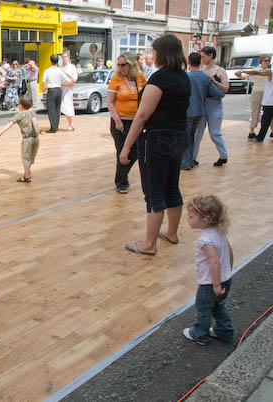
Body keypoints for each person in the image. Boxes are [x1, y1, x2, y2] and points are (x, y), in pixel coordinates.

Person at [119, 34, 191, 255]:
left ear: (162, 52)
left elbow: (141, 116)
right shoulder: (183, 77)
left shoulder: (160, 79)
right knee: (171, 186)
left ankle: (149, 244)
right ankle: (172, 232)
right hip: (179, 136)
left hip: (157, 139)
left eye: (154, 50)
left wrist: (126, 148)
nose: (151, 54)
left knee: (153, 192)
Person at [183, 195, 234, 345]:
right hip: (226, 278)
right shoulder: (220, 231)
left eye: (191, 217)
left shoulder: (205, 240)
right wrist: (228, 271)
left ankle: (200, 334)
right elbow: (229, 251)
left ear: (204, 221)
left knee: (202, 308)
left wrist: (216, 284)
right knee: (218, 306)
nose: (188, 219)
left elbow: (214, 262)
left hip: (210, 283)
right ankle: (225, 331)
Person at [107, 52, 146, 194]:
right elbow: (110, 102)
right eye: (118, 65)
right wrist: (117, 120)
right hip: (120, 121)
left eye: (123, 65)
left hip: (136, 120)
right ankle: (121, 181)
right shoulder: (116, 79)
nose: (120, 68)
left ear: (131, 64)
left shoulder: (140, 77)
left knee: (134, 150)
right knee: (122, 151)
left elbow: (146, 96)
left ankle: (121, 176)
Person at [181, 53, 226, 170]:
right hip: (200, 111)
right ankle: (190, 160)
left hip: (189, 111)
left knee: (187, 137)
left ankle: (186, 163)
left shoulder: (186, 76)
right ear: (199, 62)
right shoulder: (204, 77)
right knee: (191, 136)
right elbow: (219, 93)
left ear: (189, 62)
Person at [194, 47, 230, 166]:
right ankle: (193, 157)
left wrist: (214, 82)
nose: (202, 59)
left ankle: (223, 155)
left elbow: (226, 88)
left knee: (215, 132)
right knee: (198, 132)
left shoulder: (220, 71)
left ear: (210, 56)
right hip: (202, 102)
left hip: (214, 103)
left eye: (204, 56)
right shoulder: (202, 70)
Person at [0, 95, 41, 182]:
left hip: (27, 139)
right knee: (31, 157)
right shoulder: (32, 113)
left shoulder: (19, 115)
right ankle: (28, 172)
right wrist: (38, 131)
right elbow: (35, 122)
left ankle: (27, 176)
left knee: (25, 157)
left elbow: (10, 124)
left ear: (20, 106)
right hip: (36, 138)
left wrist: (0, 132)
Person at [235, 55, 271, 139]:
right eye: (265, 60)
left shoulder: (269, 71)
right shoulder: (255, 70)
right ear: (261, 61)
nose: (267, 62)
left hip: (267, 94)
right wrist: (239, 75)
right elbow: (244, 77)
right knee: (255, 112)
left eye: (268, 61)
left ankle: (271, 131)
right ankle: (251, 131)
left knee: (269, 113)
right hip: (257, 92)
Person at [42, 55, 70, 133]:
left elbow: (43, 82)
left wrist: (43, 88)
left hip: (51, 90)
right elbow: (66, 80)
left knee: (51, 109)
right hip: (58, 89)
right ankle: (56, 126)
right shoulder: (60, 70)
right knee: (57, 109)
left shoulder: (47, 71)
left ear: (51, 61)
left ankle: (53, 127)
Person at [60, 53, 78, 132]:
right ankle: (70, 124)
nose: (64, 58)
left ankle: (70, 124)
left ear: (68, 57)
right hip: (61, 89)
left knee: (67, 105)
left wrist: (67, 82)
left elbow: (74, 79)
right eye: (63, 57)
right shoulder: (61, 68)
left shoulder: (72, 67)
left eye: (65, 57)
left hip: (68, 89)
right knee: (63, 106)